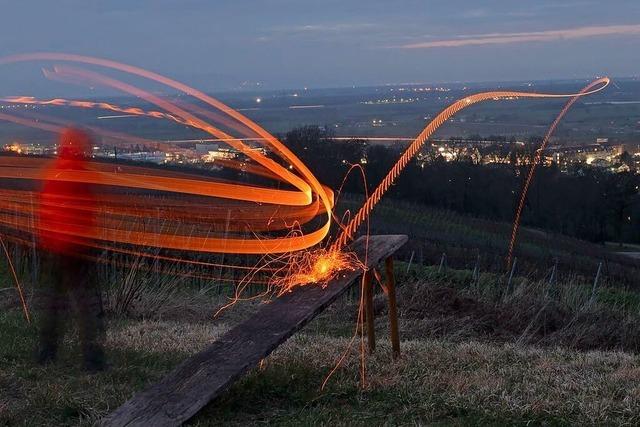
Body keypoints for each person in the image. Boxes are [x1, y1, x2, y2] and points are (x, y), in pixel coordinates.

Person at [36, 127, 106, 372]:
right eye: (86, 146)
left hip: (55, 245)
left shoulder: (54, 171)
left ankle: (46, 354)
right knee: (87, 304)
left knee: (55, 303)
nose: (89, 150)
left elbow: (47, 208)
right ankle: (93, 360)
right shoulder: (76, 173)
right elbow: (79, 209)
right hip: (76, 246)